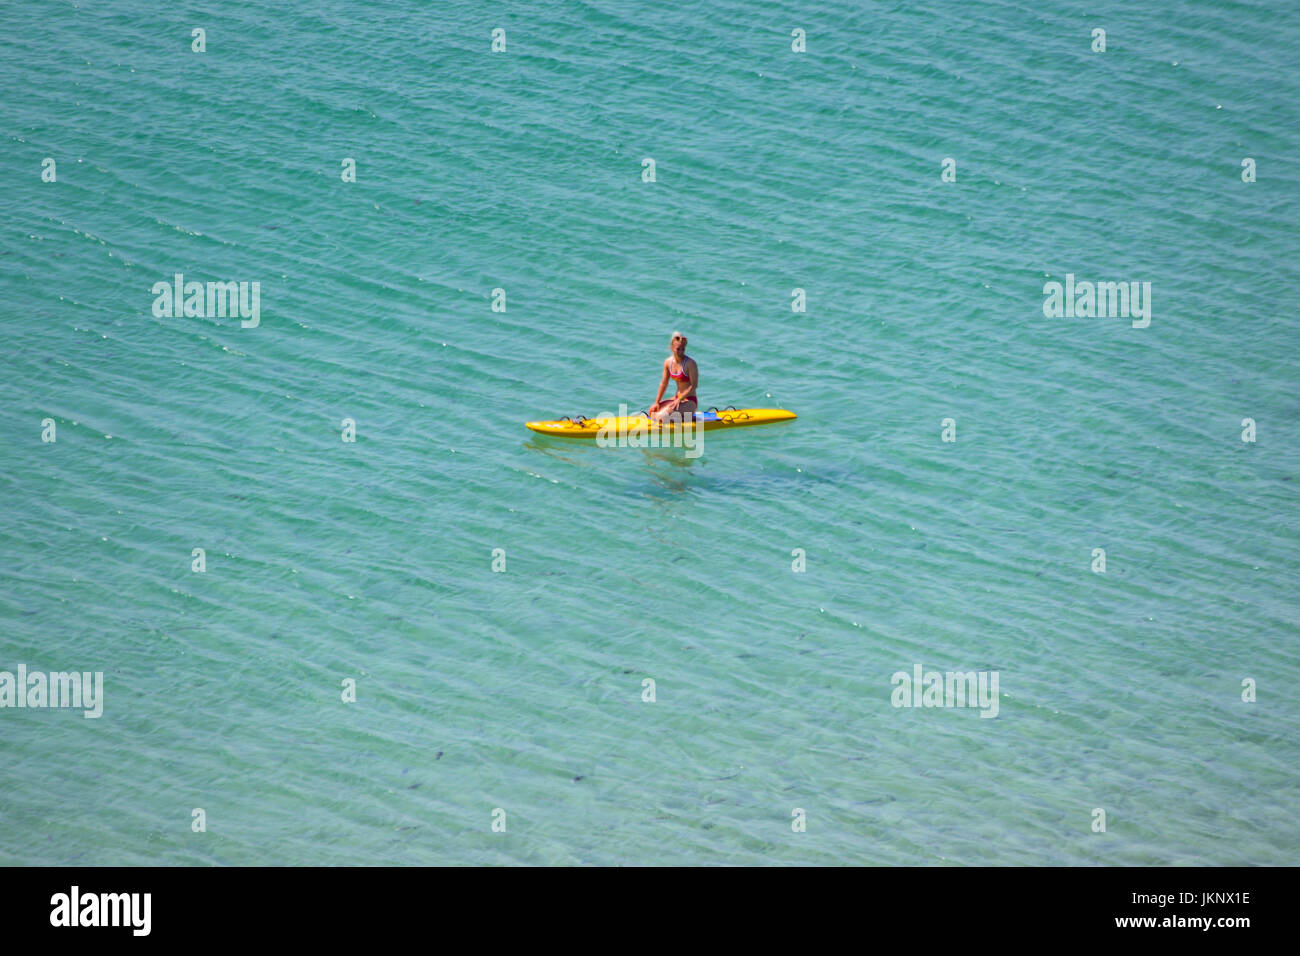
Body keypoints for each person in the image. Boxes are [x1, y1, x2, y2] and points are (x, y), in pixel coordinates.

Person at [648, 331, 698, 422]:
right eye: (678, 349)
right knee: (652, 412)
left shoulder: (690, 364)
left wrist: (679, 399)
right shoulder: (668, 362)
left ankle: (688, 417)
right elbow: (663, 384)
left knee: (661, 418)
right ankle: (683, 417)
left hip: (690, 401)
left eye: (683, 349)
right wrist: (657, 402)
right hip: (676, 399)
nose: (680, 352)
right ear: (671, 348)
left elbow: (694, 386)